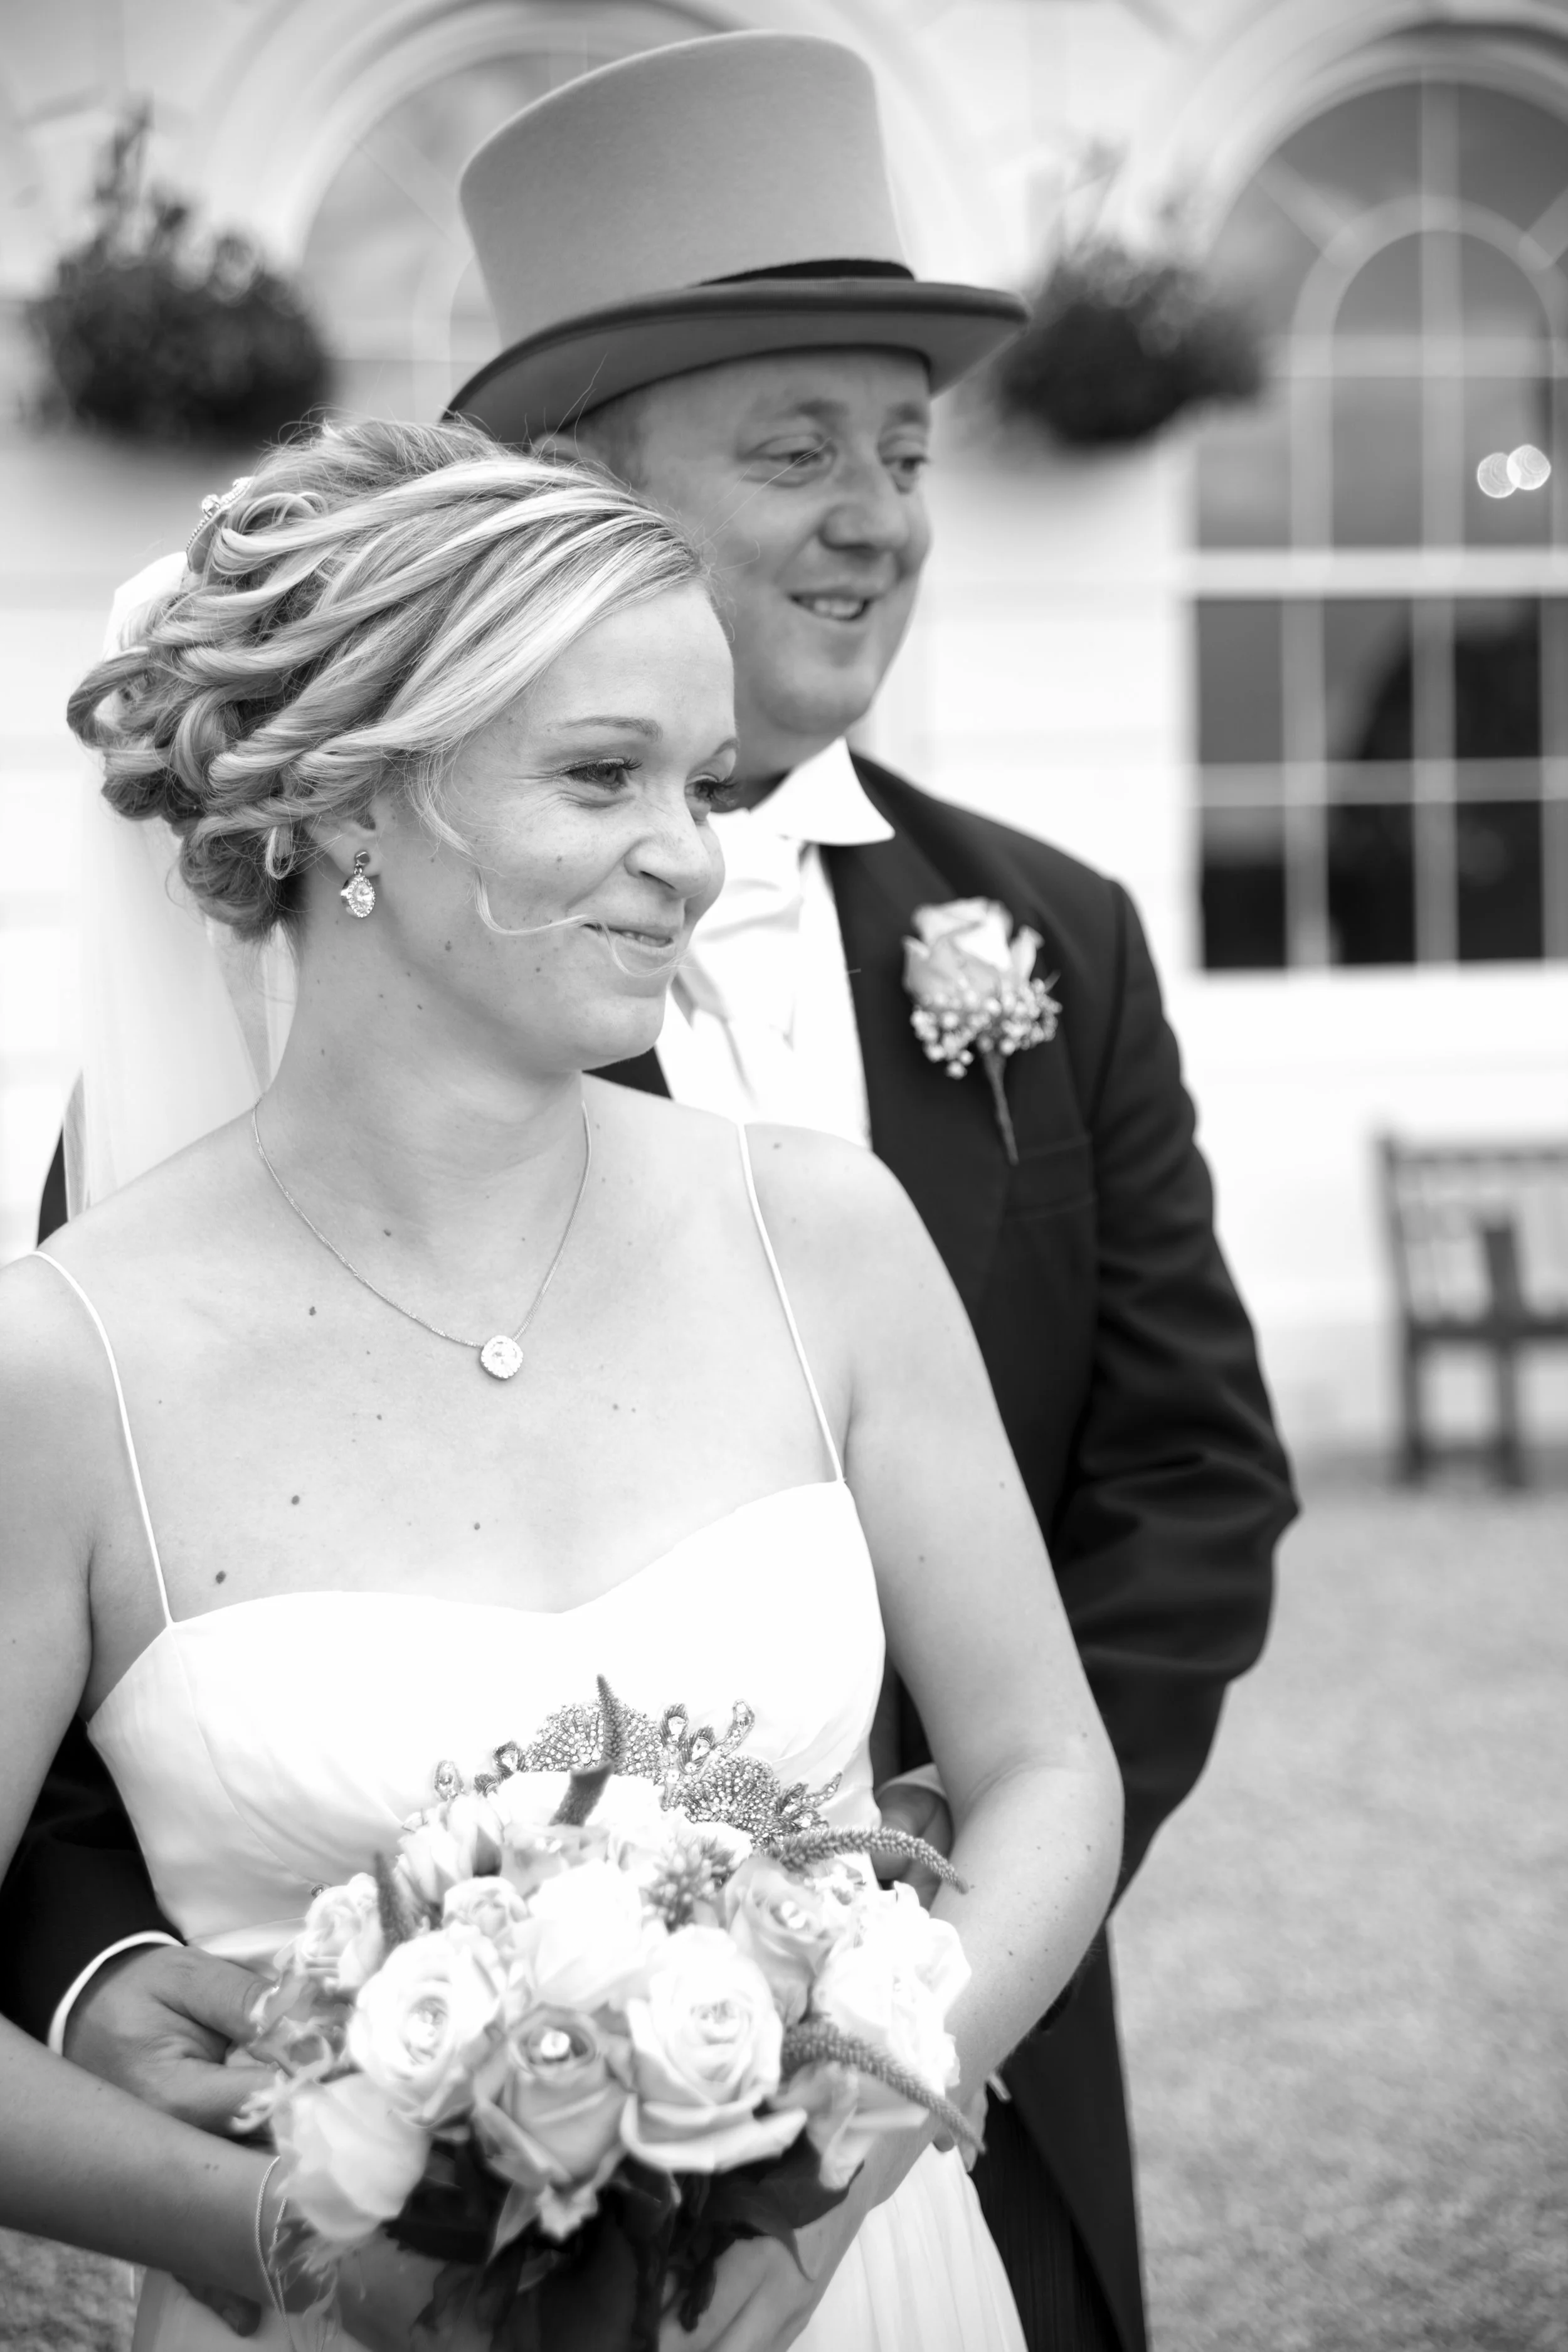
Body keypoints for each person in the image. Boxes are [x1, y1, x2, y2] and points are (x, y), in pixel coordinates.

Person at [4, 32, 1296, 2352]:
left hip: (911, 2140)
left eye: (906, 453)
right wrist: (172, 2061)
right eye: (794, 446)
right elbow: (116, 1653)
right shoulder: (104, 1298)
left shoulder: (1016, 974)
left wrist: (846, 1985)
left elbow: (1175, 1508)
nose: (880, 515)